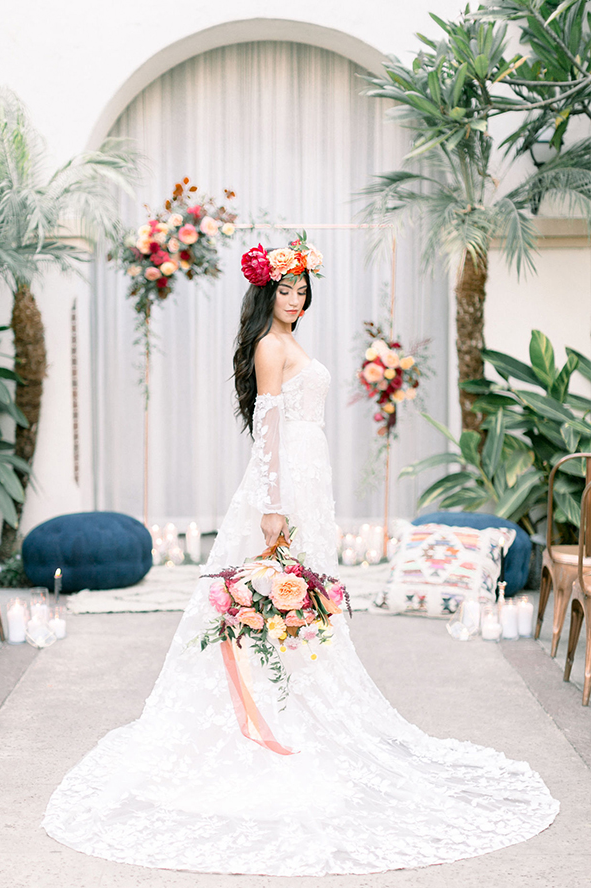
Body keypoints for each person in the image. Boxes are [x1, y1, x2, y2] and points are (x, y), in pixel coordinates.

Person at [43, 238, 558, 876]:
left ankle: (298, 701)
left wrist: (300, 491)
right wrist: (272, 500)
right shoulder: (268, 346)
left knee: (305, 594)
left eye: (302, 290)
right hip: (283, 484)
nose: (296, 298)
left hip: (309, 479)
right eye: (286, 289)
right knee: (269, 591)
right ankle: (267, 713)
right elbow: (268, 425)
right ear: (267, 293)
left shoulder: (290, 342)